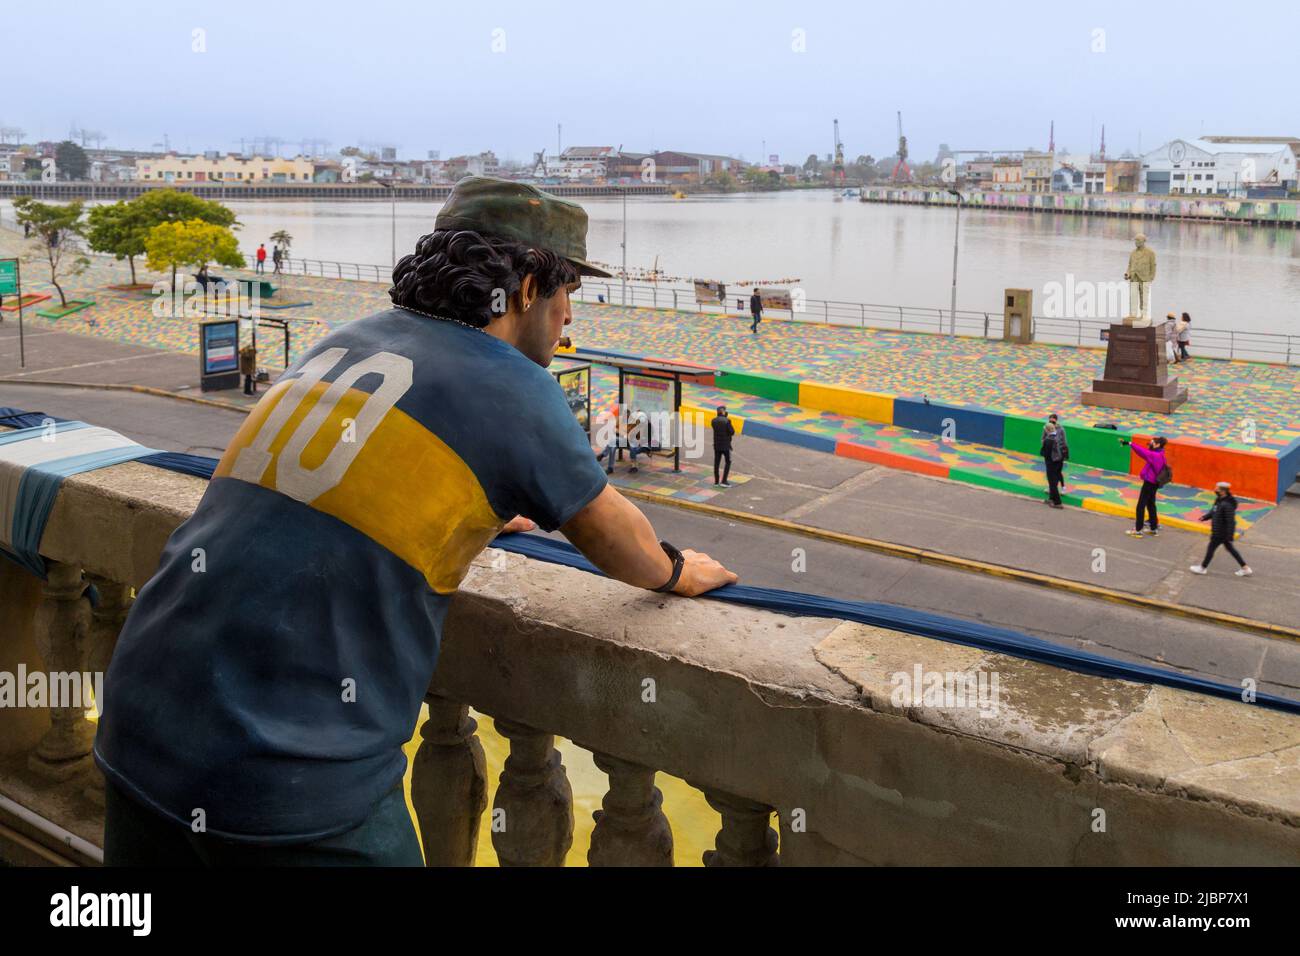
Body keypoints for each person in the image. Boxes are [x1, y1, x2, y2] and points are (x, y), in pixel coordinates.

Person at [94, 176, 738, 866]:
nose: (568, 320)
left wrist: (461, 511)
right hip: (284, 775)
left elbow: (336, 486)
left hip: (137, 724)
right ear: (525, 290)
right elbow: (614, 538)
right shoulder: (511, 383)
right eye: (567, 295)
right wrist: (677, 570)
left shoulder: (343, 342)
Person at [1190, 482, 1252, 576]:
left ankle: (1203, 568)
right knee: (1231, 549)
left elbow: (1231, 521)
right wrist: (1205, 517)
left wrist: (1230, 536)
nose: (1215, 490)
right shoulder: (1219, 500)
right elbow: (1214, 511)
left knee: (1211, 549)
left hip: (1221, 532)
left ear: (1223, 491)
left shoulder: (1227, 505)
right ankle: (1245, 568)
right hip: (1220, 531)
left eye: (1217, 489)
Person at [1120, 435, 1169, 537]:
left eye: (1152, 443)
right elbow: (1144, 452)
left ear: (1157, 444)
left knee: (1140, 506)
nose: (1150, 444)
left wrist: (1130, 443)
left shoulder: (1154, 455)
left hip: (1149, 483)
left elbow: (1142, 451)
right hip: (1154, 483)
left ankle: (1138, 530)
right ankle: (1153, 528)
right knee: (1151, 504)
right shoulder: (1160, 454)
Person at [1040, 421, 1068, 508]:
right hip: (1059, 461)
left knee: (1052, 482)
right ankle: (1051, 499)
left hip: (1051, 464)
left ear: (1047, 430)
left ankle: (1057, 502)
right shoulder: (1057, 437)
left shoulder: (1048, 440)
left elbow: (1044, 453)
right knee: (1054, 481)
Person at [711, 405, 735, 487]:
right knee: (728, 461)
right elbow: (732, 432)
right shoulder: (727, 421)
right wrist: (726, 418)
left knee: (716, 463)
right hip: (726, 446)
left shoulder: (713, 421)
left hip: (717, 445)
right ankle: (724, 481)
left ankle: (716, 481)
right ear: (723, 412)